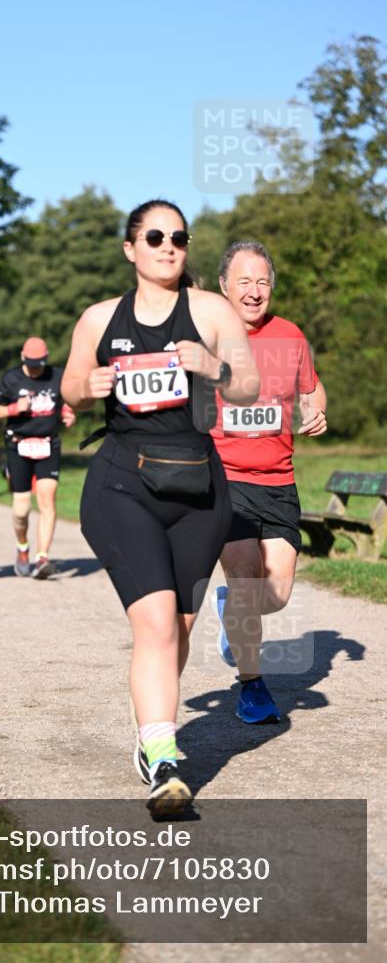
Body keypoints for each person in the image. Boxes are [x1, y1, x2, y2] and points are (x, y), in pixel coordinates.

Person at [61, 199, 260, 815]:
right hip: (123, 485)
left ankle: (151, 735)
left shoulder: (211, 310)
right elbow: (69, 387)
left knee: (177, 630)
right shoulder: (100, 318)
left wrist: (214, 367)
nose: (168, 245)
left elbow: (249, 385)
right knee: (154, 623)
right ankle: (167, 762)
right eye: (154, 236)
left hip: (198, 489)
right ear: (131, 248)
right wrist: (87, 386)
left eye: (178, 236)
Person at [210, 241, 327, 724]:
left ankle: (231, 612)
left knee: (275, 596)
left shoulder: (290, 335)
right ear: (224, 286)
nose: (254, 291)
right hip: (224, 477)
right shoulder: (207, 335)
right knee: (243, 578)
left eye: (262, 282)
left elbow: (312, 387)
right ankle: (252, 685)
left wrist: (315, 408)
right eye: (244, 281)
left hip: (278, 481)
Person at [0, 337, 76, 579]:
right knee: (21, 510)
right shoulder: (11, 378)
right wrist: (13, 408)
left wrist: (68, 412)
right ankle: (23, 547)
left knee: (47, 500)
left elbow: (67, 400)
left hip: (48, 444)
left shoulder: (57, 376)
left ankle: (42, 558)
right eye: (31, 364)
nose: (36, 369)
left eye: (40, 364)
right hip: (18, 445)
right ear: (22, 358)